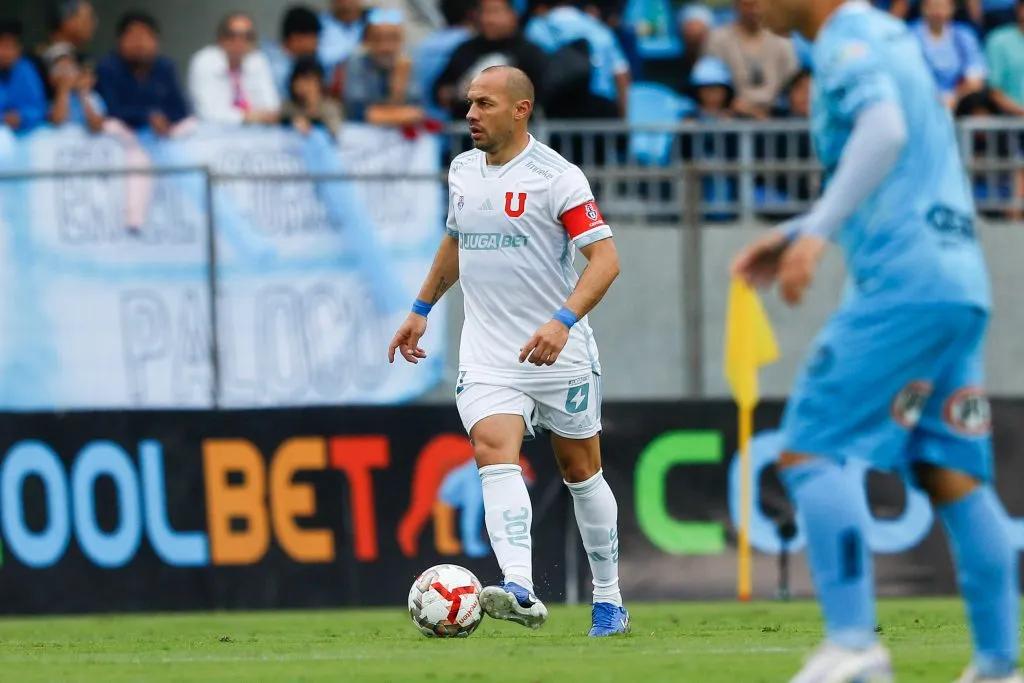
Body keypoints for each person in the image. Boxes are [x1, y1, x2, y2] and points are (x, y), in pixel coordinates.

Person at [730, 1, 1019, 682]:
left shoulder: (846, 39)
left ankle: (855, 646)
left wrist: (815, 232)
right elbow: (902, 162)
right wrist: (798, 229)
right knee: (953, 473)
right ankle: (999, 665)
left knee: (810, 447)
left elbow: (883, 131)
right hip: (958, 283)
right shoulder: (896, 39)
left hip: (902, 285)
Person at [387, 65, 630, 638]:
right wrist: (420, 309)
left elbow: (606, 261)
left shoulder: (557, 178)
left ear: (521, 110)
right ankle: (519, 585)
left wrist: (563, 322)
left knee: (581, 472)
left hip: (559, 352)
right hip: (489, 354)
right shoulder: (462, 170)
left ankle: (609, 600)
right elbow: (456, 240)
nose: (470, 114)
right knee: (492, 452)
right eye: (469, 103)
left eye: (484, 104)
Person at [188, 12, 280, 125]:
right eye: (233, 35)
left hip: (255, 130)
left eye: (248, 37)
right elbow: (208, 113)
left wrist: (259, 116)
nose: (240, 41)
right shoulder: (205, 61)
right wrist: (247, 116)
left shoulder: (257, 60)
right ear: (221, 38)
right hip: (212, 131)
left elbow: (271, 107)